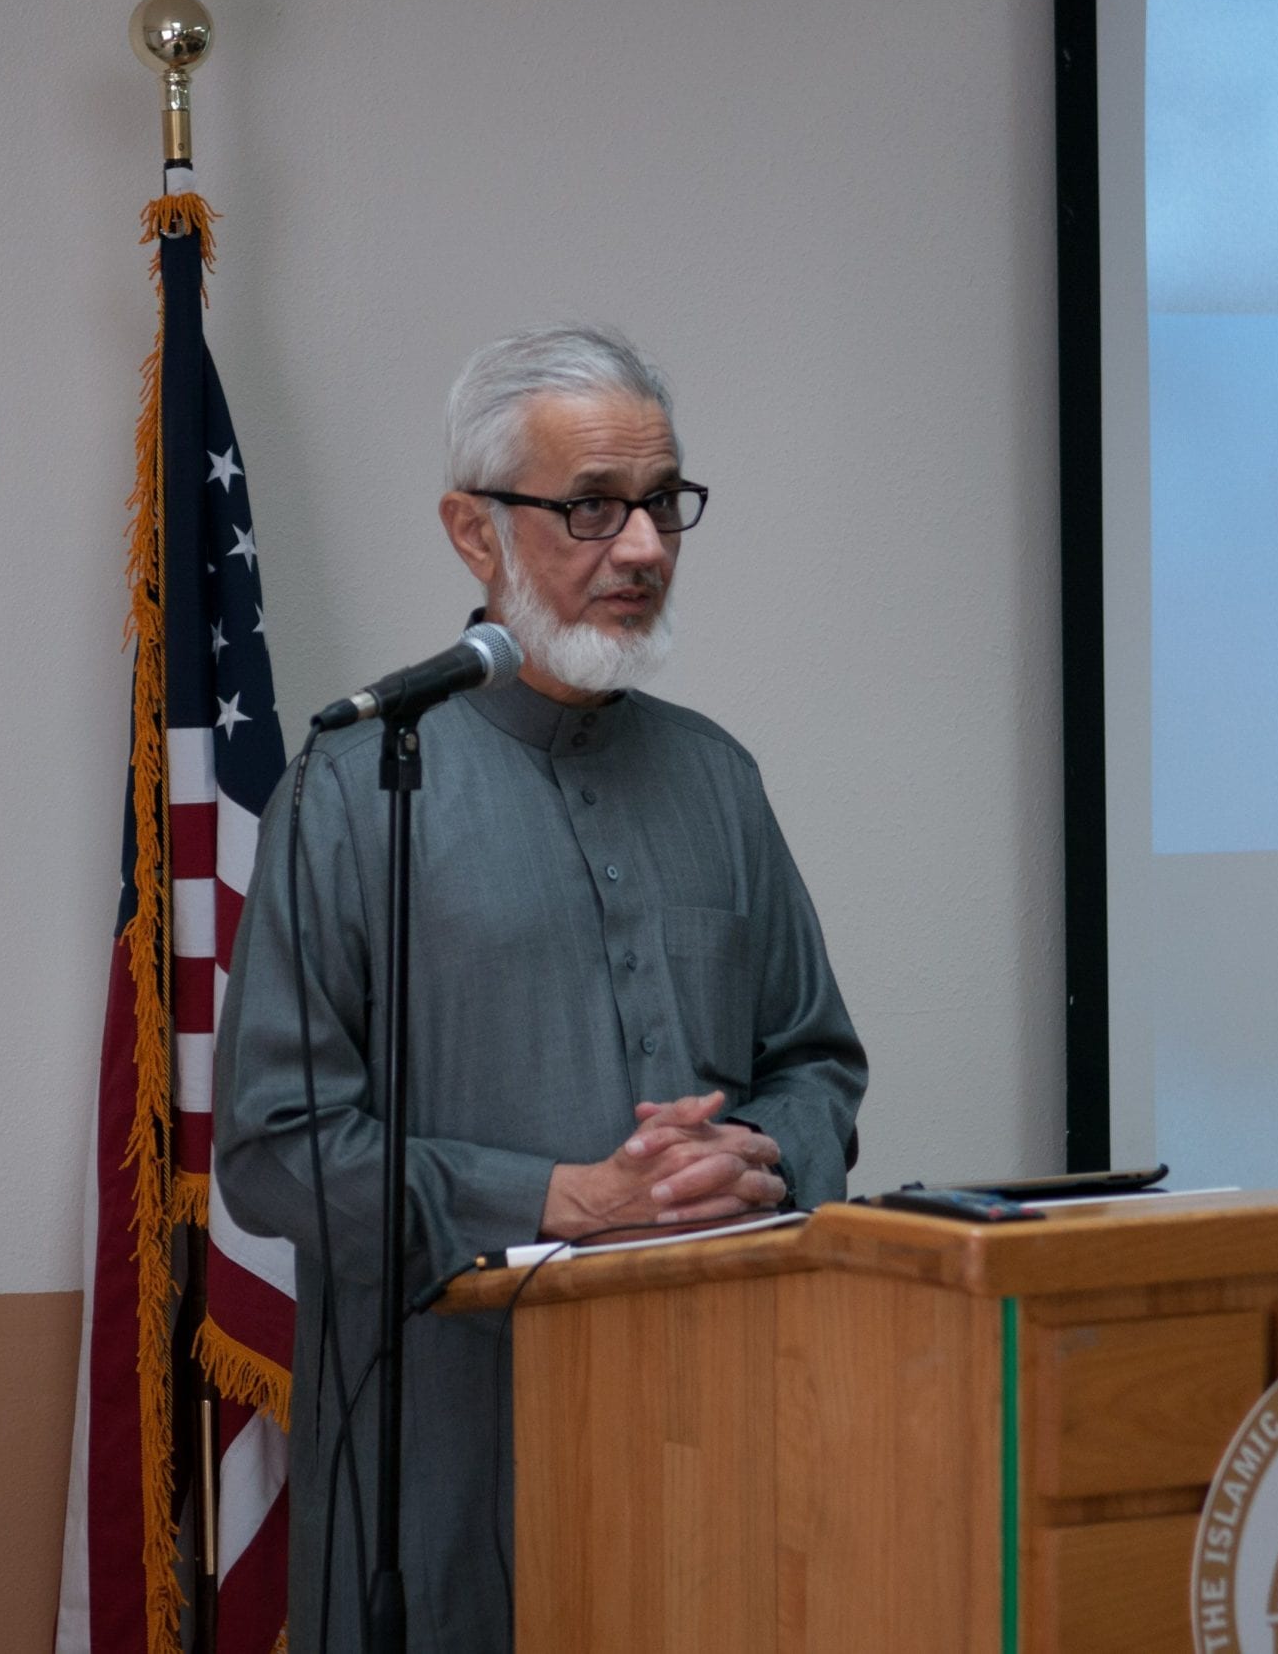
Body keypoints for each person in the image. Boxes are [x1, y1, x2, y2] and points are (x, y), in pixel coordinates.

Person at [213, 325, 867, 1649]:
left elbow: (818, 1067)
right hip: (443, 1468)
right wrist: (570, 1200)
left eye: (662, 504)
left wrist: (750, 1158)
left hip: (705, 1437)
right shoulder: (355, 786)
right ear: (473, 531)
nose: (642, 550)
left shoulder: (716, 781)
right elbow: (274, 1152)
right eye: (591, 509)